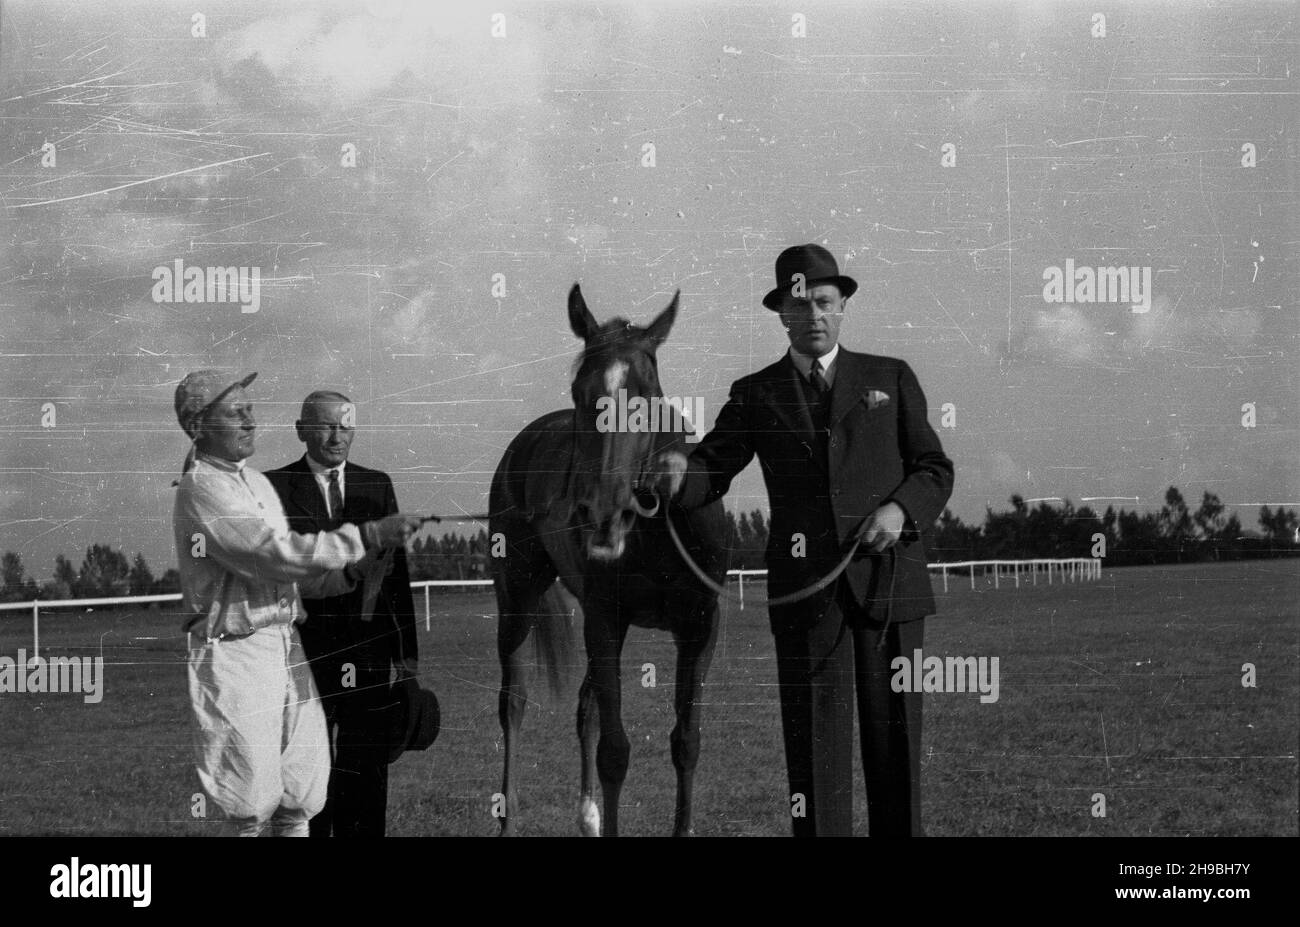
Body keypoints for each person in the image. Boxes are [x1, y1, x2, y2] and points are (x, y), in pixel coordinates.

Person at [650, 244, 954, 836]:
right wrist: (676, 477)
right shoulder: (755, 392)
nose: (814, 313)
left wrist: (898, 510)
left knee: (898, 764)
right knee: (815, 776)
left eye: (824, 302)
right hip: (806, 604)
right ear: (782, 314)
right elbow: (711, 470)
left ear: (842, 309)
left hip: (890, 595)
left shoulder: (890, 376)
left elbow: (934, 469)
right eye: (801, 303)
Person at [171, 370, 421, 836]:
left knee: (301, 794)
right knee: (250, 801)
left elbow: (293, 581)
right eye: (235, 412)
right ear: (200, 425)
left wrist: (350, 572)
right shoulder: (201, 488)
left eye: (250, 410)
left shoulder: (256, 486)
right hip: (235, 653)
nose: (249, 421)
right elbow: (271, 554)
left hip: (285, 646)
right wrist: (367, 535)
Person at [265, 390, 419, 838]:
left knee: (366, 765)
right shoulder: (273, 487)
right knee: (307, 768)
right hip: (303, 651)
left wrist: (407, 657)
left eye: (346, 426)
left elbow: (396, 577)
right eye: (327, 425)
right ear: (302, 430)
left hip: (368, 651)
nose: (337, 436)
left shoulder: (377, 484)